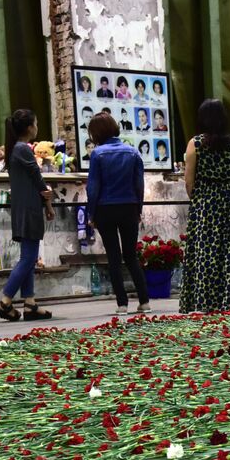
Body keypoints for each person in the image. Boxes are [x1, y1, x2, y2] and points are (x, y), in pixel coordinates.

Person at [179, 98, 230, 313]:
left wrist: (200, 198)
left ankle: (201, 301)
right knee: (229, 251)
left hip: (205, 203)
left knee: (204, 251)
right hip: (229, 201)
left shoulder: (196, 144)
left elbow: (189, 181)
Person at [0, 108, 54, 321]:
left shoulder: (15, 149)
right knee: (28, 258)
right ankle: (5, 302)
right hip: (29, 209)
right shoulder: (23, 149)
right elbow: (37, 179)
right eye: (36, 124)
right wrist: (48, 200)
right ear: (29, 128)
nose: (37, 127)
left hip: (24, 208)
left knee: (27, 257)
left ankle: (30, 303)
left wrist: (45, 201)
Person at [85, 112, 149, 315]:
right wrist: (138, 208)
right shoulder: (132, 152)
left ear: (96, 133)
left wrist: (91, 213)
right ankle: (144, 301)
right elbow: (139, 184)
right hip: (129, 206)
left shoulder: (97, 154)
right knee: (131, 255)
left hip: (105, 209)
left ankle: (122, 304)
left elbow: (93, 187)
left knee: (113, 256)